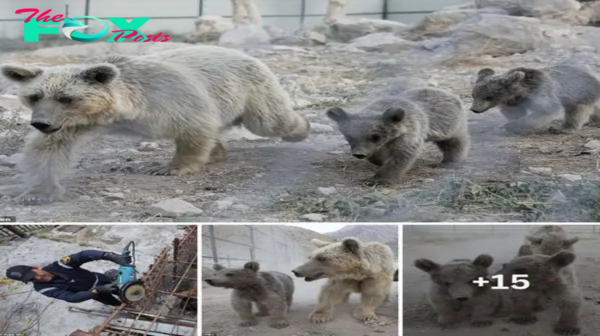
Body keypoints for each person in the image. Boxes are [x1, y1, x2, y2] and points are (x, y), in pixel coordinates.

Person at [5, 249, 131, 306]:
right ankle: (124, 306)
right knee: (117, 303)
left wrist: (109, 256)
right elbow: (70, 297)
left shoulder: (60, 265)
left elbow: (83, 255)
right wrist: (97, 291)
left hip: (98, 278)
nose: (38, 278)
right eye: (32, 279)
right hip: (95, 292)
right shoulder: (43, 289)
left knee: (123, 289)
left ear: (36, 268)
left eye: (35, 274)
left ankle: (114, 282)